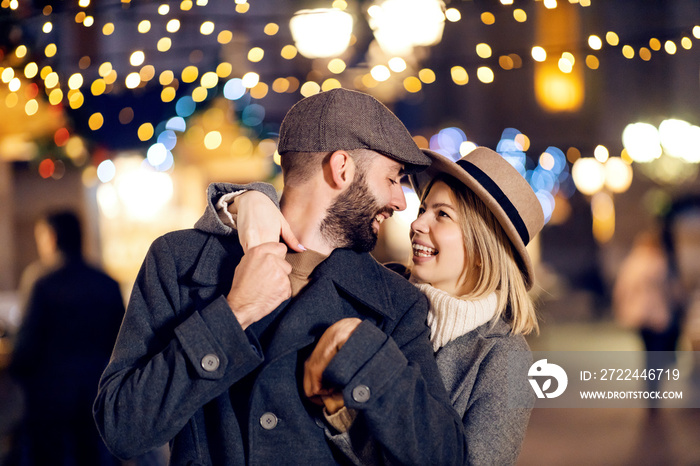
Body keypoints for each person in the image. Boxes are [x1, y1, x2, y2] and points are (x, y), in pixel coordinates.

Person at [93, 88, 468, 465]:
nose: (401, 202)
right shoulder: (180, 261)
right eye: (392, 179)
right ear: (342, 169)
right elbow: (122, 428)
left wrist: (365, 354)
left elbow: (447, 456)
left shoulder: (396, 302)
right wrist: (233, 313)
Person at [209, 146, 544, 465]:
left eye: (442, 215)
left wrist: (343, 415)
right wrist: (245, 199)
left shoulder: (503, 358)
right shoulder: (373, 291)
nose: (417, 224)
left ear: (485, 251)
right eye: (423, 209)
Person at [6, 210, 125, 466]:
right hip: (97, 389)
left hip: (50, 394)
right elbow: (123, 342)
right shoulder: (106, 283)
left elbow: (27, 344)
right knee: (94, 456)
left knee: (49, 457)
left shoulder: (41, 280)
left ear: (51, 237)